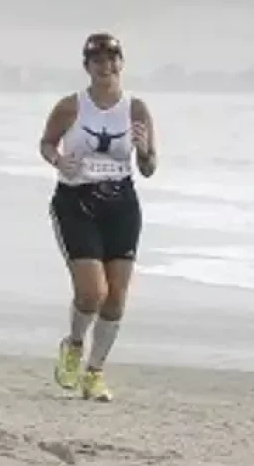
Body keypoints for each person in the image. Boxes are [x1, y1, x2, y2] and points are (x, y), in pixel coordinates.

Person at [40, 32, 157, 403]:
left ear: (121, 63)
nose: (105, 65)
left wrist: (143, 150)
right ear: (87, 66)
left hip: (121, 203)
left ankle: (95, 372)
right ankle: (74, 344)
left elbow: (150, 167)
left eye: (112, 58)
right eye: (97, 59)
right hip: (77, 201)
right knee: (92, 292)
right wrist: (59, 160)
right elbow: (46, 142)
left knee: (116, 299)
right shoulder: (71, 107)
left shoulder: (136, 109)